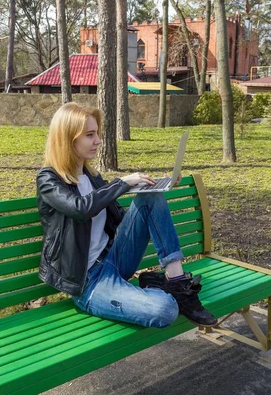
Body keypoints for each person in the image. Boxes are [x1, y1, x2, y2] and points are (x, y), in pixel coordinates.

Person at [36, 102, 216, 328]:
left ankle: (177, 283)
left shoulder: (91, 177)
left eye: (97, 134)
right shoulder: (49, 180)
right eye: (90, 135)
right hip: (90, 282)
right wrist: (122, 183)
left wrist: (154, 186)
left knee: (151, 198)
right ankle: (157, 286)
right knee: (165, 310)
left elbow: (121, 222)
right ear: (68, 139)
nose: (98, 141)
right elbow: (80, 208)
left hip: (115, 259)